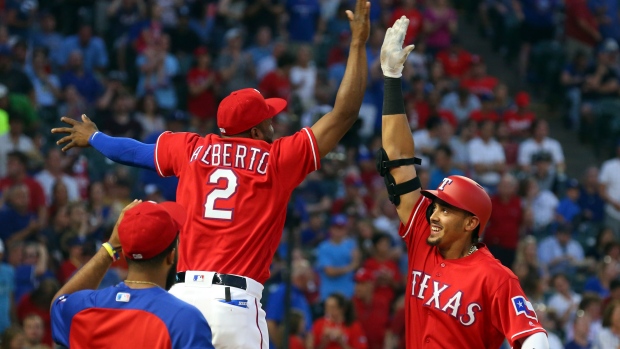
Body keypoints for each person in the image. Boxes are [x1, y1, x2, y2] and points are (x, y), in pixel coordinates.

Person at [50, 1, 371, 347]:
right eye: (268, 117)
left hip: (180, 301)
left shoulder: (191, 148)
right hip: (235, 306)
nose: (274, 122)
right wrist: (357, 44)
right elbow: (345, 113)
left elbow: (134, 152)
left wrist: (95, 137)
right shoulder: (278, 158)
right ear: (257, 129)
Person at [377, 17, 549, 348]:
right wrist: (392, 80)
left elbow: (532, 336)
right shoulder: (422, 236)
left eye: (445, 209)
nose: (434, 214)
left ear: (471, 222)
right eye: (436, 205)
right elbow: (397, 160)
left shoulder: (495, 277)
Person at [50, 200, 214, 348]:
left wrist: (109, 249)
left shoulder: (84, 308)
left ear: (124, 251)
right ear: (171, 256)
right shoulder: (185, 319)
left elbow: (58, 303)